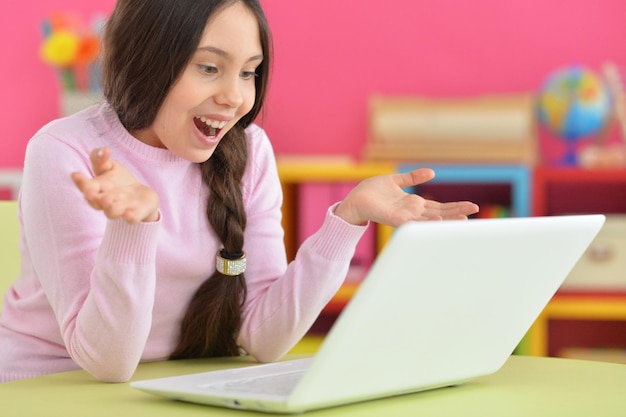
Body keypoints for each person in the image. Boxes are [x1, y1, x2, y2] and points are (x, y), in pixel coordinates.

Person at [0, 0, 479, 384]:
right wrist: (133, 228)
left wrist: (348, 220)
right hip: (53, 385)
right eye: (209, 68)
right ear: (147, 60)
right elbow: (106, 364)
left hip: (174, 386)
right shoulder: (65, 150)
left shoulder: (249, 150)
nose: (235, 97)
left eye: (249, 72)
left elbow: (265, 338)